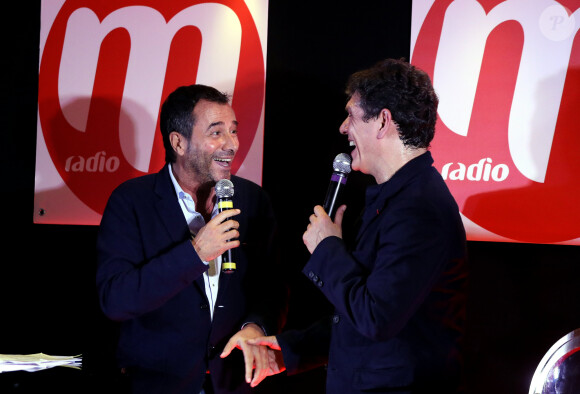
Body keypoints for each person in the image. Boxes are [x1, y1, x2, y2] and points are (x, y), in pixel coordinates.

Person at [244, 58, 468, 393]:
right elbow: (361, 313)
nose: (343, 128)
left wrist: (328, 247)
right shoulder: (396, 198)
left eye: (351, 115)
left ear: (382, 121)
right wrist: (288, 352)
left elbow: (376, 317)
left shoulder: (420, 207)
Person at [96, 84, 285, 394]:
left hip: (236, 382)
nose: (231, 144)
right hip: (158, 384)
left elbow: (274, 288)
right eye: (216, 133)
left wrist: (256, 326)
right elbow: (116, 299)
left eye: (233, 131)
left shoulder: (253, 200)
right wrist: (196, 253)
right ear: (178, 143)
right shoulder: (131, 202)